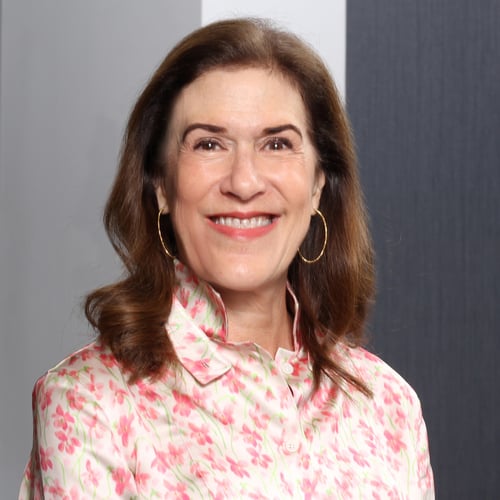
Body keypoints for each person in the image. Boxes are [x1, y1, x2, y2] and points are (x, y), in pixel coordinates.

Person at [19, 18, 434, 499]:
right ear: (161, 185)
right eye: (209, 144)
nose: (244, 182)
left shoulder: (388, 406)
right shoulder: (90, 402)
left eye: (277, 144)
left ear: (318, 185)